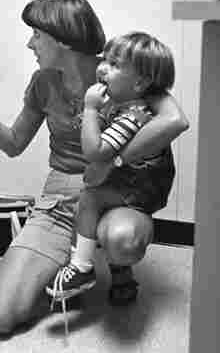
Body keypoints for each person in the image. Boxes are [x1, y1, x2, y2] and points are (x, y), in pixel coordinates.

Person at [0, 0, 189, 335]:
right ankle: (75, 263)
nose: (30, 44)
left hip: (115, 194)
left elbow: (175, 121)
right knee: (1, 319)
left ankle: (113, 264)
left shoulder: (119, 70)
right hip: (59, 200)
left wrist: (114, 162)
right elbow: (13, 145)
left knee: (123, 241)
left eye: (36, 35)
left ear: (61, 39)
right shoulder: (43, 82)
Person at [46, 31, 177, 301]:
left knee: (90, 200)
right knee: (95, 200)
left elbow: (95, 152)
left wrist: (91, 110)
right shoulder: (123, 105)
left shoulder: (132, 116)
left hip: (137, 188)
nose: (102, 67)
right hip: (130, 181)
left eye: (115, 65)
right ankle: (122, 277)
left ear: (140, 83)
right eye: (105, 59)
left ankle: (81, 267)